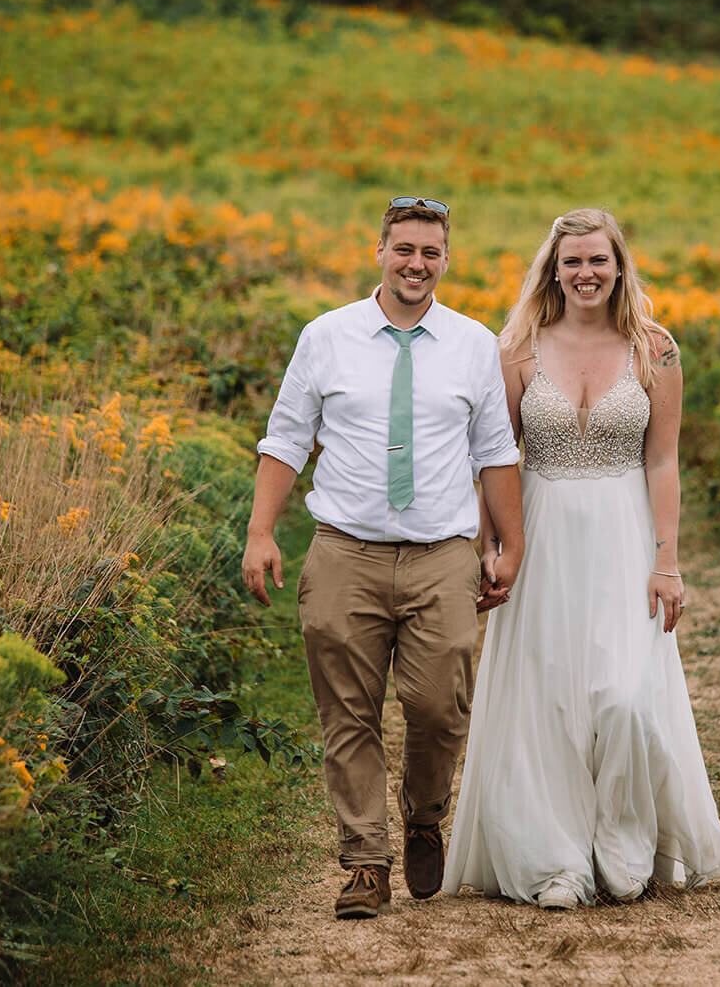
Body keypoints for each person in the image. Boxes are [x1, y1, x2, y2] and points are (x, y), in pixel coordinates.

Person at [441, 207, 720, 910]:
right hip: (541, 530)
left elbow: (663, 460)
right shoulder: (516, 347)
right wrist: (490, 543)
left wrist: (666, 560)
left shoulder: (656, 349)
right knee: (545, 698)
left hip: (622, 532)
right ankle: (555, 859)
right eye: (571, 260)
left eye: (597, 260)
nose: (585, 273)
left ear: (618, 266)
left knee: (628, 696)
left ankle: (625, 840)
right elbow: (493, 456)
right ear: (553, 268)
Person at [242, 196, 525, 920]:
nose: (416, 263)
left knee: (438, 704)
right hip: (344, 551)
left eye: (431, 252)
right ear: (379, 251)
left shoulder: (471, 344)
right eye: (404, 248)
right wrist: (260, 531)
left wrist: (507, 542)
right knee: (349, 712)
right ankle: (365, 859)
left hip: (443, 555)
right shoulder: (327, 336)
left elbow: (495, 451)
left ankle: (425, 814)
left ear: (446, 260)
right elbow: (286, 437)